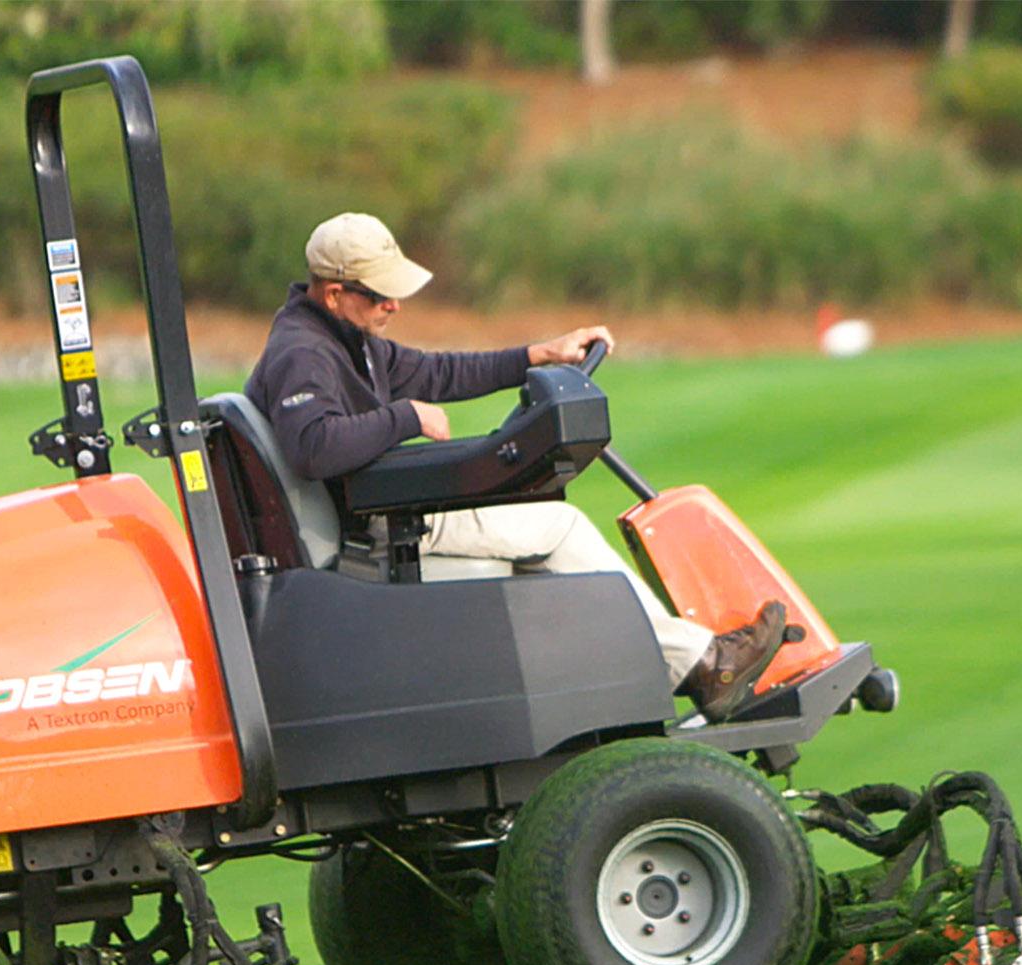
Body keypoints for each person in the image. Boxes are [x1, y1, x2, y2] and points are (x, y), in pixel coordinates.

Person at [246, 212, 786, 721]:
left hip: (372, 509)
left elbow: (438, 373)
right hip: (372, 527)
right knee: (559, 524)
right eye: (382, 295)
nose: (395, 305)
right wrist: (404, 417)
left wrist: (540, 355)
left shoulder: (346, 338)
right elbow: (313, 446)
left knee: (537, 517)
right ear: (336, 294)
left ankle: (659, 674)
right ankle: (702, 664)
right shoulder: (304, 353)